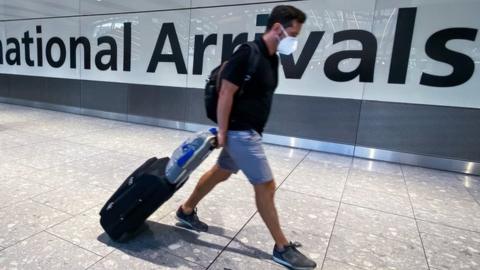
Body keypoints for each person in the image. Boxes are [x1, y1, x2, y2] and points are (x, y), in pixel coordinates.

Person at [176, 5, 317, 270]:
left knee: (221, 171)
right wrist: (223, 131)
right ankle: (281, 248)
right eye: (293, 33)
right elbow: (227, 92)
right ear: (277, 28)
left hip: (248, 131)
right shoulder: (247, 53)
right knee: (266, 185)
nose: (295, 40)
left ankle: (185, 210)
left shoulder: (272, 57)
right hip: (240, 132)